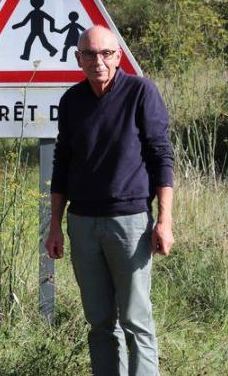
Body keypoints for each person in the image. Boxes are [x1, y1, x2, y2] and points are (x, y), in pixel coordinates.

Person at [44, 26, 174, 376]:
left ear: (118, 56)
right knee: (100, 321)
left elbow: (162, 155)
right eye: (89, 54)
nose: (98, 61)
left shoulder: (141, 93)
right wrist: (54, 224)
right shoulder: (72, 100)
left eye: (105, 54)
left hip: (129, 221)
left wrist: (164, 220)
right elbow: (62, 164)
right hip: (82, 224)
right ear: (78, 59)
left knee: (136, 319)